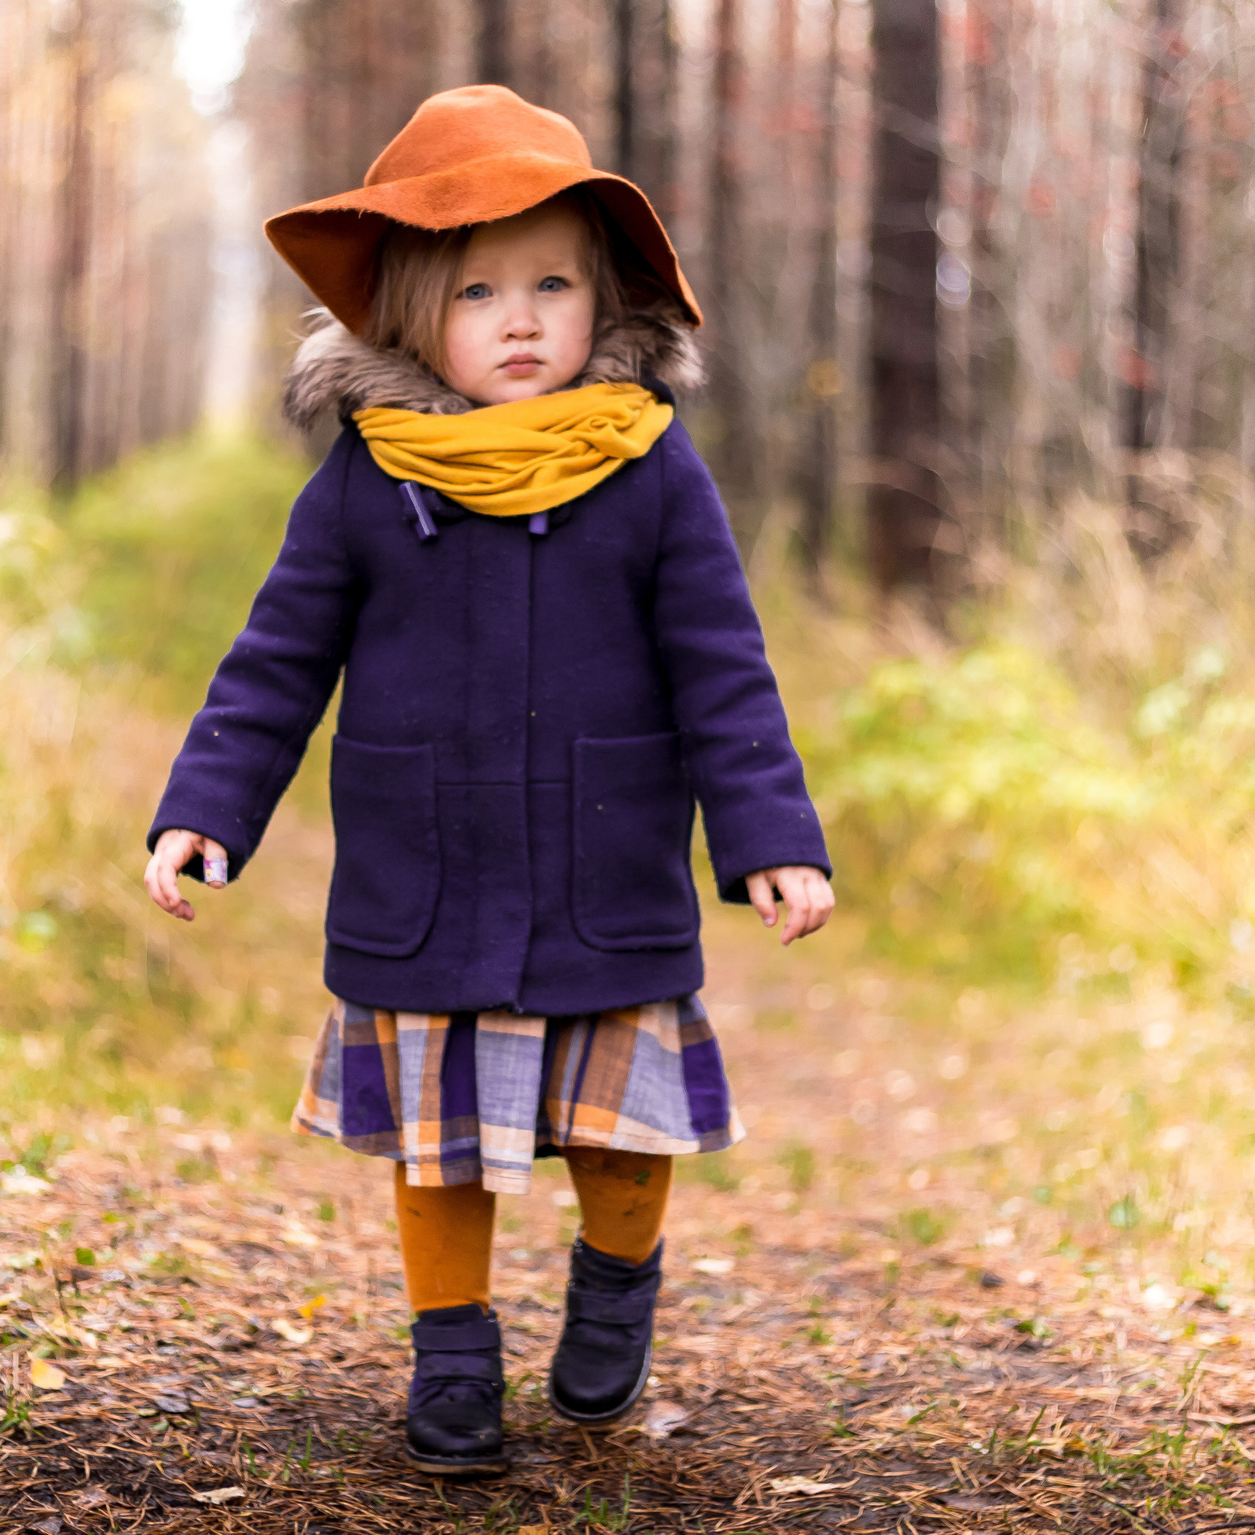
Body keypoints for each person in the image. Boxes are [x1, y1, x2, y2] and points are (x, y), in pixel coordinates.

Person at [142, 85, 833, 1477]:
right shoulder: (365, 479)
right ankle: (451, 1351)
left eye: (551, 284)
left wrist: (772, 836)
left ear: (606, 300)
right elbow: (277, 659)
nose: (518, 319)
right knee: (441, 1149)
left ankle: (616, 1286)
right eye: (475, 293)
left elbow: (723, 666)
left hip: (607, 867)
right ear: (407, 316)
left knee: (625, 1138)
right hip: (428, 871)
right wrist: (206, 810)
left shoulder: (648, 466)